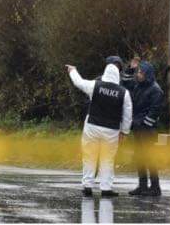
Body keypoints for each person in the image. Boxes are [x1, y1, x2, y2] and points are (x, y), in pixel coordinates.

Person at [67, 63, 133, 197]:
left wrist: (73, 70)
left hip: (92, 126)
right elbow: (128, 114)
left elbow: (79, 82)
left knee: (89, 156)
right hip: (111, 130)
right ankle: (106, 188)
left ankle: (87, 186)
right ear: (117, 75)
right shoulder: (123, 93)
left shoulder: (95, 86)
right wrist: (124, 132)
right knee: (108, 159)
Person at [128, 61, 164, 196]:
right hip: (137, 127)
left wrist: (144, 123)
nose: (139, 74)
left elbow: (155, 110)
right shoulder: (138, 86)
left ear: (147, 74)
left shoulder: (156, 90)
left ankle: (155, 187)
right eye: (138, 72)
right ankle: (142, 186)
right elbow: (126, 84)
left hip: (148, 130)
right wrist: (129, 70)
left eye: (141, 72)